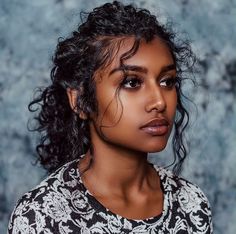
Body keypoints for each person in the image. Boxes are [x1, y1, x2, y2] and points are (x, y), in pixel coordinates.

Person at [8, 1, 213, 233]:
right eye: (132, 82)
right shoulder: (41, 217)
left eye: (167, 81)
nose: (159, 101)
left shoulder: (192, 205)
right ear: (80, 101)